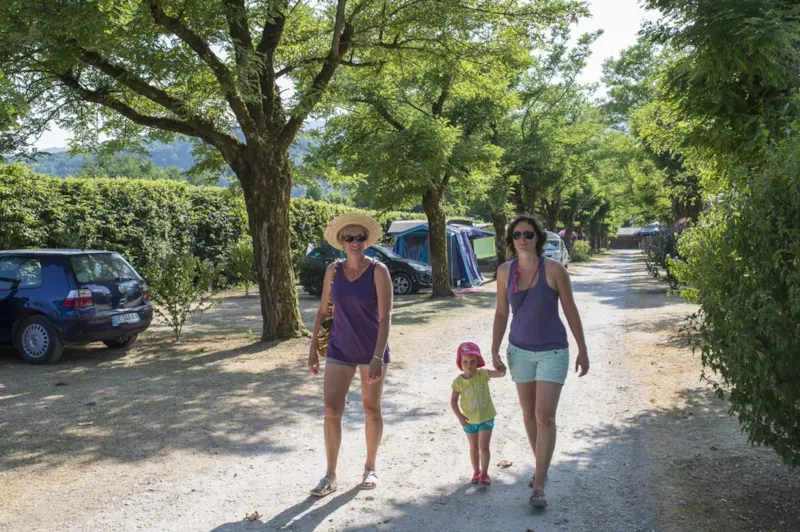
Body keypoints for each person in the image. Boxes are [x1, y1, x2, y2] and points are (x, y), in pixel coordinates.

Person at [490, 215, 589, 508]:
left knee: (545, 416)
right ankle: (540, 468)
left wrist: (583, 349)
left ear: (538, 238)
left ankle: (540, 485)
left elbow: (571, 310)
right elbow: (500, 313)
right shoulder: (504, 272)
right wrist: (494, 349)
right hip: (519, 351)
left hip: (553, 351)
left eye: (528, 234)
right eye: (517, 234)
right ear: (511, 240)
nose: (522, 239)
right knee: (529, 414)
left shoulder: (555, 270)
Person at [307, 213, 393, 497]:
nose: (355, 243)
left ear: (366, 241)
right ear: (341, 242)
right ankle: (330, 474)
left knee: (371, 409)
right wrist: (312, 351)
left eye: (360, 238)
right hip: (339, 348)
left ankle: (370, 467)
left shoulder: (379, 271)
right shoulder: (333, 270)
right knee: (332, 411)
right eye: (349, 238)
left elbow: (386, 317)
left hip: (371, 351)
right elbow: (322, 311)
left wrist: (378, 356)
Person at [451, 341, 506, 486]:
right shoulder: (458, 382)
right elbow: (453, 401)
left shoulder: (483, 375)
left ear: (478, 362)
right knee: (474, 447)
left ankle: (485, 473)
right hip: (468, 421)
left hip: (486, 418)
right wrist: (460, 417)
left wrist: (500, 365)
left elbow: (501, 374)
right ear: (460, 363)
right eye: (466, 362)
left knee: (484, 447)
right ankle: (476, 471)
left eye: (473, 361)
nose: (469, 365)